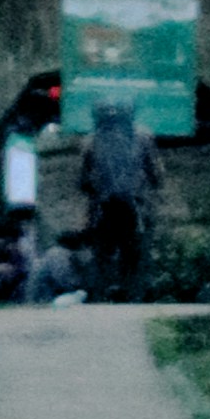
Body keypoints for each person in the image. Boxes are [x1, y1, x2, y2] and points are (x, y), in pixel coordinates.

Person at [80, 97, 159, 300]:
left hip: (103, 206)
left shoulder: (90, 140)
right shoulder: (144, 136)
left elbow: (83, 181)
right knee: (134, 252)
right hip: (134, 204)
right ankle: (132, 294)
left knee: (102, 253)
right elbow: (156, 174)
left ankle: (102, 294)